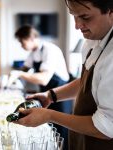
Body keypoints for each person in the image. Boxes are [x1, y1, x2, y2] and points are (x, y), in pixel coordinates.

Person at [13, 0, 113, 150]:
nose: (77, 25)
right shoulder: (91, 43)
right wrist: (50, 95)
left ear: (111, 13)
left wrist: (49, 115)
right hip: (81, 138)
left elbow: (106, 126)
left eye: (85, 17)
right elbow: (86, 82)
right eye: (74, 16)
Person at [13, 25, 72, 149]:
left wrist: (19, 74)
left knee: (61, 132)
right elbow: (24, 69)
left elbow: (44, 79)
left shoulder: (49, 50)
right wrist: (15, 77)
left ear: (29, 38)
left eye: (21, 41)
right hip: (47, 95)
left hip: (61, 95)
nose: (21, 45)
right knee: (49, 129)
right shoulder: (33, 53)